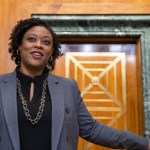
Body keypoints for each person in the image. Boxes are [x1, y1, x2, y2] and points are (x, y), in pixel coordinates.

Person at [0, 17, 149, 150]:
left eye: (46, 42)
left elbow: (92, 129)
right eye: (31, 39)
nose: (39, 45)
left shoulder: (68, 88)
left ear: (51, 51)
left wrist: (143, 143)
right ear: (19, 45)